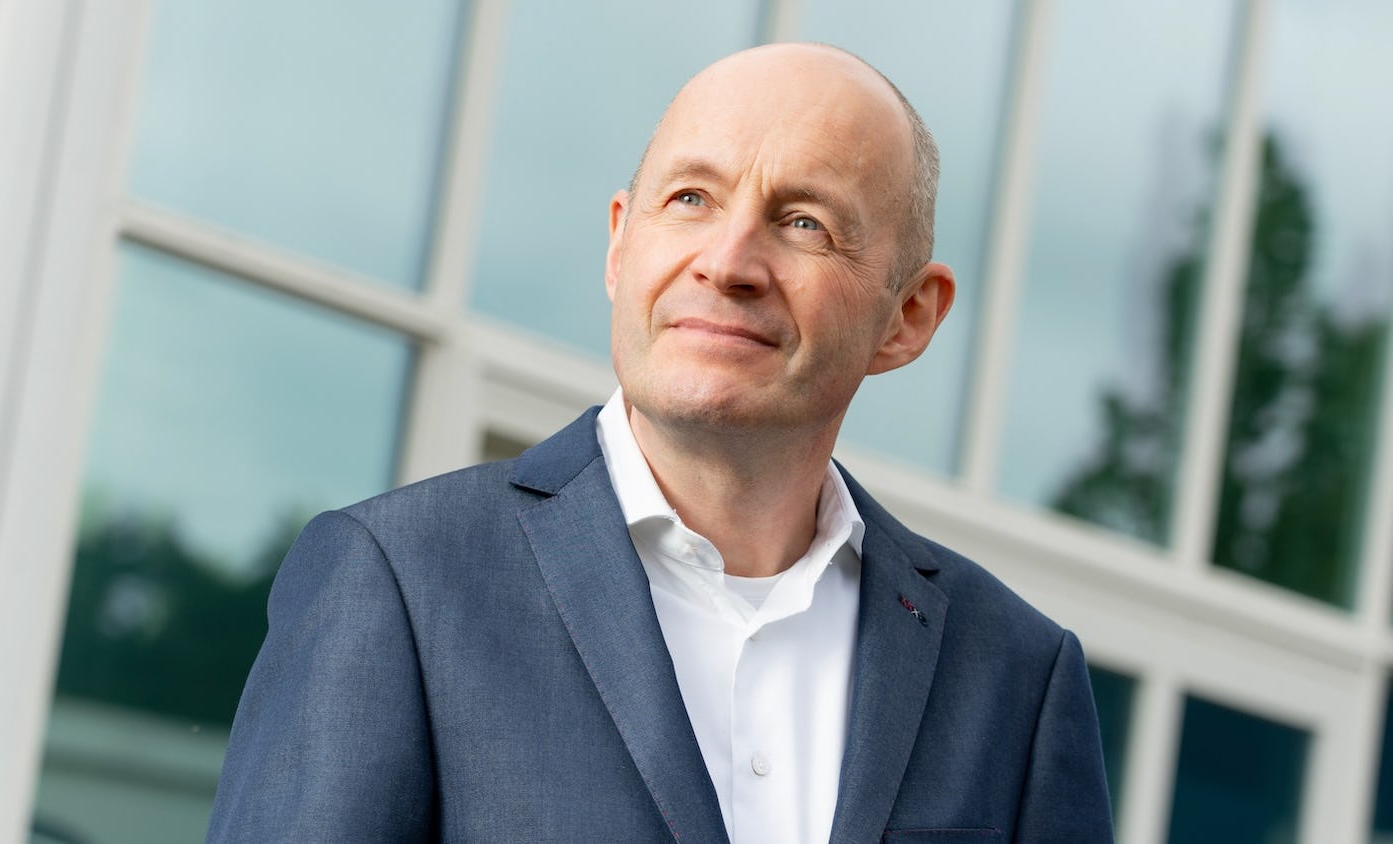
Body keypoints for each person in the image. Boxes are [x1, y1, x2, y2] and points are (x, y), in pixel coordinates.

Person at [207, 42, 1112, 843]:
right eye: (689, 199)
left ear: (908, 316)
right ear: (618, 245)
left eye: (804, 222)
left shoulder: (1016, 679)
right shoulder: (401, 583)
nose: (727, 262)